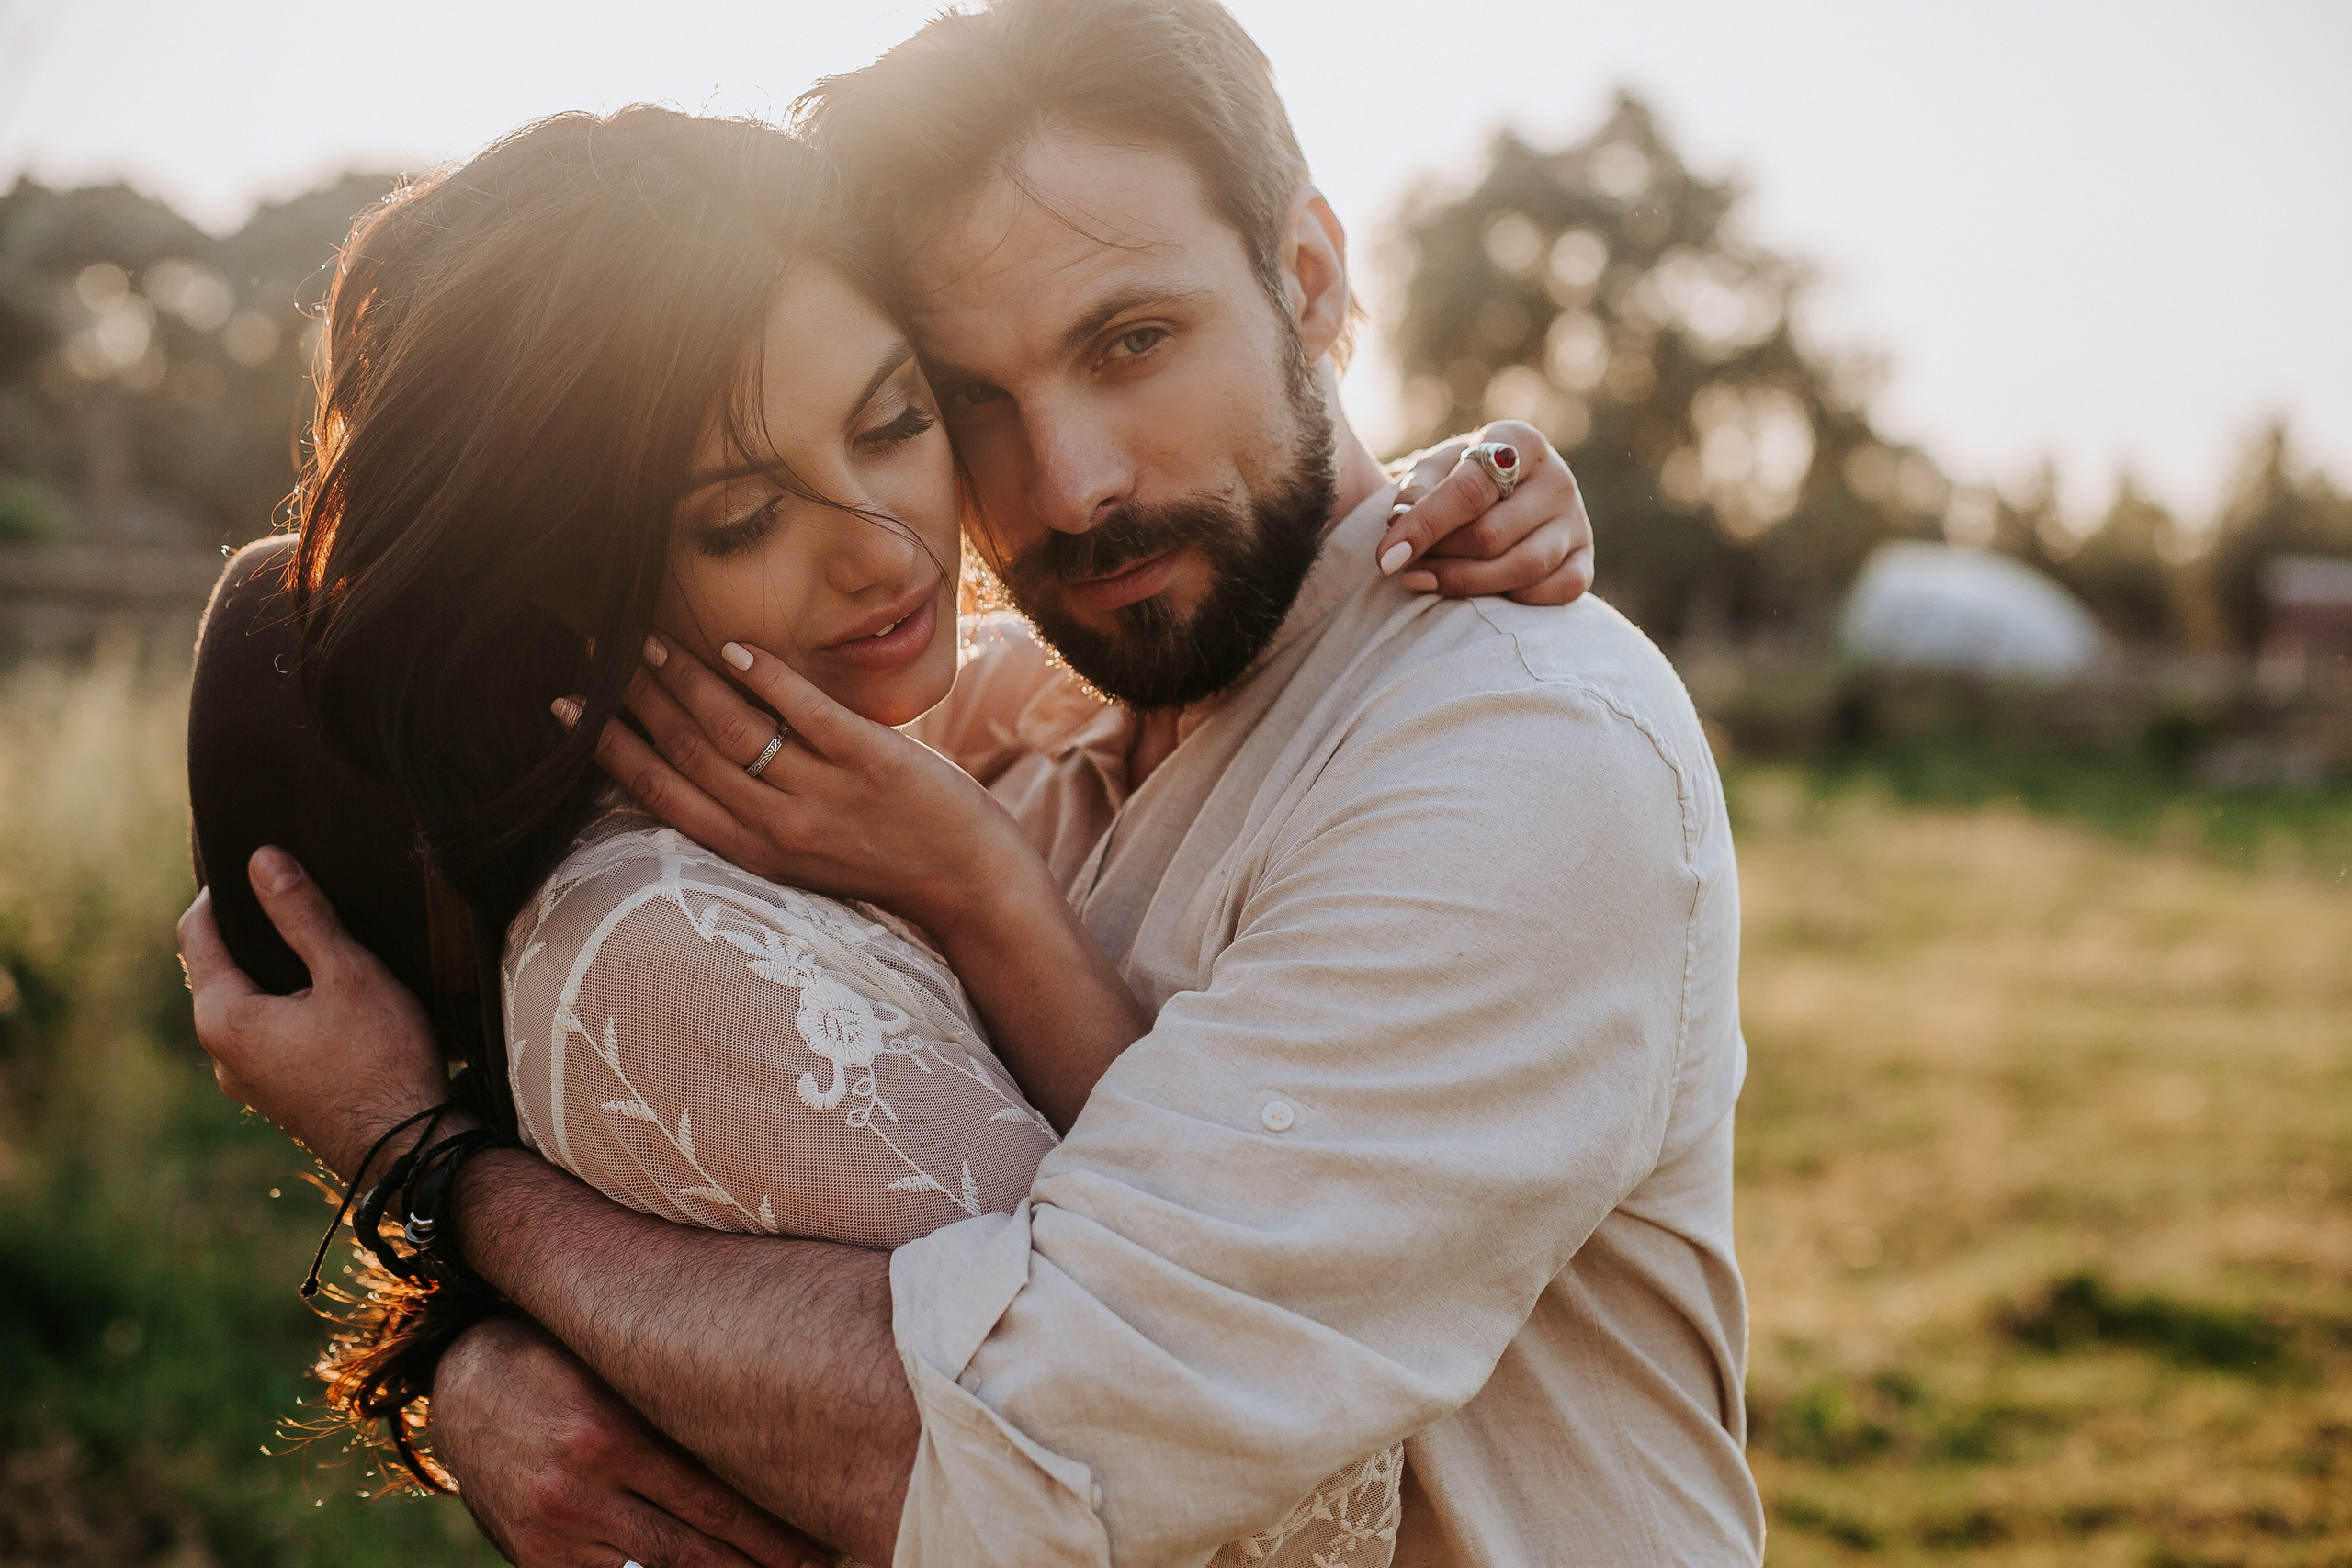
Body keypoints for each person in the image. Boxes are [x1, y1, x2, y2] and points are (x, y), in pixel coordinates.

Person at [185, 0, 1763, 1562]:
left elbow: (1044, 1453)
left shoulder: (1517, 758)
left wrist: (440, 1181)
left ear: (1311, 279)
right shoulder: (1014, 714)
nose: (1070, 487)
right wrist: (482, 1371)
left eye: (1132, 342)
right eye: (971, 398)